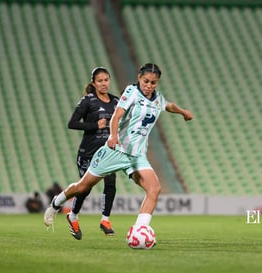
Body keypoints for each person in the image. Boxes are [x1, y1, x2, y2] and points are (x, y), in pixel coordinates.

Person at [44, 63, 193, 236]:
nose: (149, 86)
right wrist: (113, 136)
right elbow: (116, 115)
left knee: (154, 188)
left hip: (137, 156)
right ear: (139, 77)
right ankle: (57, 202)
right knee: (83, 186)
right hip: (115, 150)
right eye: (146, 81)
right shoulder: (132, 92)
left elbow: (168, 105)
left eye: (153, 83)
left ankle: (140, 230)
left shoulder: (157, 98)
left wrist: (183, 112)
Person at [66, 67, 119, 239]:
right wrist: (95, 126)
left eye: (106, 80)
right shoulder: (88, 101)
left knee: (111, 183)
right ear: (94, 83)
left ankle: (105, 220)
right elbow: (72, 123)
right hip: (88, 152)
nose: (104, 84)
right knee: (84, 189)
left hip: (107, 153)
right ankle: (73, 216)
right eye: (100, 81)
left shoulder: (116, 101)